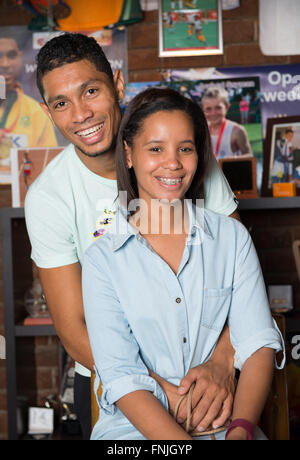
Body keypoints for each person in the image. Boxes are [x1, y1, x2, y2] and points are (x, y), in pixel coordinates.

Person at [25, 33, 239, 440]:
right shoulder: (49, 198)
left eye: (91, 91)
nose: (81, 114)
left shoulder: (181, 160)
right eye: (61, 103)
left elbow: (240, 272)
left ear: (118, 85)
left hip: (208, 375)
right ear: (47, 113)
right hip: (114, 385)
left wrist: (224, 360)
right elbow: (74, 329)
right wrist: (159, 392)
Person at [82, 87, 284, 440]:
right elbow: (122, 374)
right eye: (156, 149)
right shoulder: (102, 260)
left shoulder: (232, 239)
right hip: (133, 434)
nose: (172, 163)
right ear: (128, 154)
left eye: (185, 149)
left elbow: (259, 344)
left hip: (226, 426)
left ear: (199, 155)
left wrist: (239, 431)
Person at [0, 32, 57, 171]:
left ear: (20, 57)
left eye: (11, 55)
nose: (5, 63)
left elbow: (49, 164)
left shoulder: (37, 112)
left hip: (22, 190)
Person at [201, 87, 253, 160]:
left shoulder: (237, 131)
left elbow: (250, 156)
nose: (213, 113)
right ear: (203, 110)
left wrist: (233, 159)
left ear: (227, 107)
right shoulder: (200, 131)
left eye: (218, 108)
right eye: (208, 109)